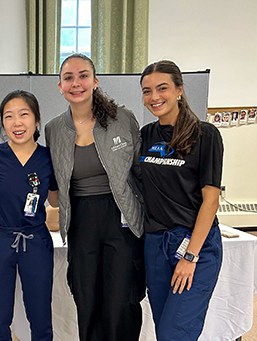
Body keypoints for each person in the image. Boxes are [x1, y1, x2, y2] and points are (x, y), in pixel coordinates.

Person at [44, 53, 145, 341]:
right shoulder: (54, 129)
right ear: (60, 86)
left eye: (83, 75)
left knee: (121, 298)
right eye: (68, 78)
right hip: (81, 218)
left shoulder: (122, 119)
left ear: (95, 81)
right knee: (86, 296)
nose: (76, 83)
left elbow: (140, 172)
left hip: (121, 215)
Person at [139, 60, 224, 341]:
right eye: (147, 91)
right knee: (164, 328)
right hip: (155, 246)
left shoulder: (205, 135)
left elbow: (210, 201)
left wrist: (190, 256)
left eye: (162, 88)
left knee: (174, 332)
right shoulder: (145, 135)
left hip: (193, 244)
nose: (154, 97)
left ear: (179, 90)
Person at [0, 90, 58, 341]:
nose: (16, 123)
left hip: (35, 240)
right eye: (9, 116)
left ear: (36, 120)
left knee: (40, 314)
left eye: (24, 114)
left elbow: (56, 199)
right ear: (2, 122)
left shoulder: (48, 158)